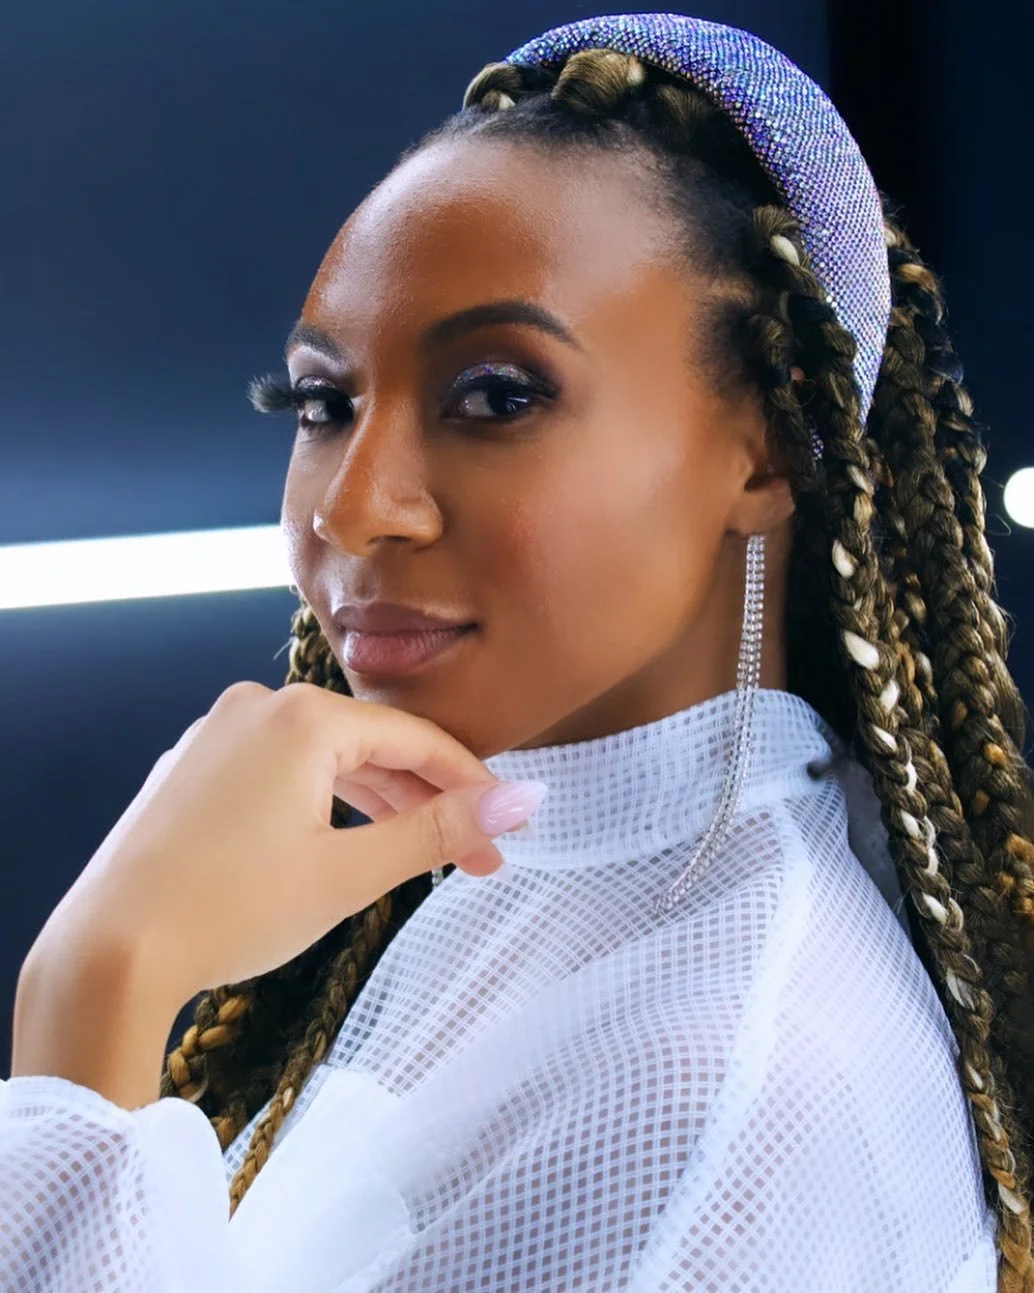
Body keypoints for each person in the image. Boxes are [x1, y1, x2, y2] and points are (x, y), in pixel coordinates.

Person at [2, 10, 1030, 1290]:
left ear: (770, 448)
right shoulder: (546, 881)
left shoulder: (706, 1086)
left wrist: (95, 990)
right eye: (323, 404)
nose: (351, 503)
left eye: (496, 395)